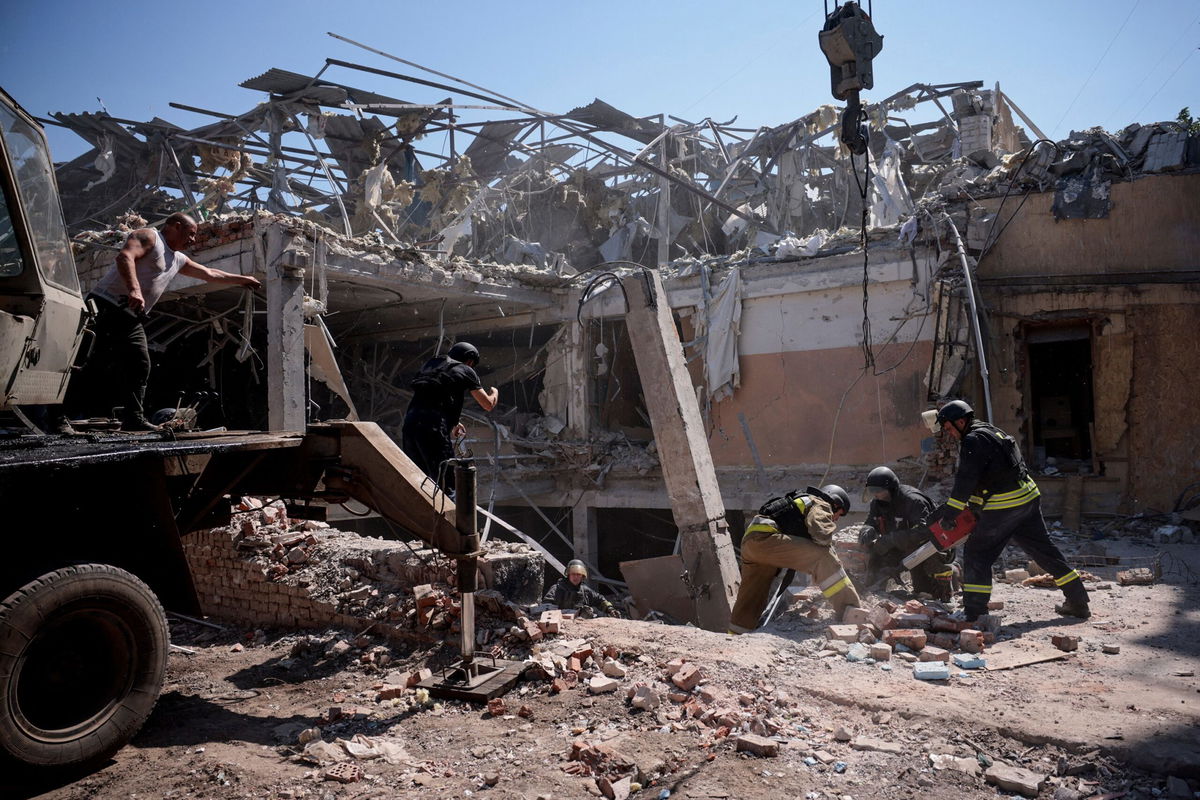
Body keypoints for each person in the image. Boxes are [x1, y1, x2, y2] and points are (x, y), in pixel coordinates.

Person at [63, 213, 261, 431]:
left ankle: (133, 419)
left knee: (139, 364)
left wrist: (243, 280)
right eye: (191, 234)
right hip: (104, 306)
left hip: (130, 317)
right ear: (176, 226)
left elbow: (210, 273)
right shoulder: (149, 236)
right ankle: (58, 417)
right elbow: (124, 257)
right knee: (85, 363)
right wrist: (134, 289)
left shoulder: (177, 259)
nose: (193, 240)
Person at [929, 400, 1089, 621]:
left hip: (1005, 504)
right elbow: (995, 472)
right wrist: (974, 507)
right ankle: (1079, 602)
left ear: (960, 421)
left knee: (977, 553)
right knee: (1045, 552)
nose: (949, 434)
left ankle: (975, 612)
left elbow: (965, 482)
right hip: (1028, 497)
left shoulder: (972, 441)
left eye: (948, 428)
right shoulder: (991, 431)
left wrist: (950, 515)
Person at [729, 484, 862, 633]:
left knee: (752, 597)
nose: (836, 519)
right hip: (768, 539)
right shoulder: (820, 502)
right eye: (839, 514)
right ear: (835, 503)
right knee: (822, 557)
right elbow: (821, 533)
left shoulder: (800, 500)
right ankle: (852, 610)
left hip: (751, 543)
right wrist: (831, 552)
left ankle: (735, 637)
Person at [401, 341, 498, 492]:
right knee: (446, 483)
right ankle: (449, 513)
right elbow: (487, 404)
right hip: (432, 427)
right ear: (470, 360)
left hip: (410, 424)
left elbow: (434, 395)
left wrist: (454, 422)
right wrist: (495, 392)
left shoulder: (433, 365)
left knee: (419, 481)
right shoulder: (466, 369)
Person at [860, 466, 958, 601]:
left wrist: (891, 539)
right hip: (903, 547)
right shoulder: (877, 503)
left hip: (928, 549)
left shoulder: (913, 501)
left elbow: (925, 532)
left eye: (879, 491)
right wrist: (867, 530)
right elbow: (871, 521)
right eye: (872, 491)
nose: (875, 495)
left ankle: (954, 571)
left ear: (891, 489)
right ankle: (874, 593)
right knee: (877, 556)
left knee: (927, 594)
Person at [543, 560, 619, 618]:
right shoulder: (557, 589)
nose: (576, 577)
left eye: (578, 574)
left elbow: (600, 600)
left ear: (582, 576)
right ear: (568, 575)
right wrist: (576, 613)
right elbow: (546, 608)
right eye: (573, 574)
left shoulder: (585, 590)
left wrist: (610, 609)